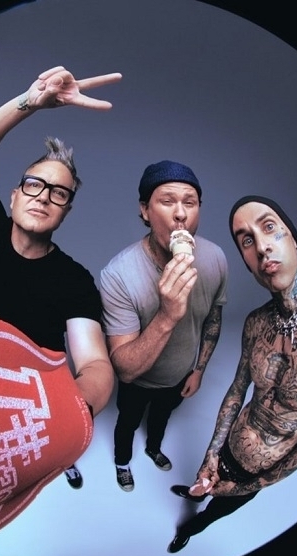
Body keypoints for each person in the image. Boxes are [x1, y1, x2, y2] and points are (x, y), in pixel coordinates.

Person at [165, 195, 297, 553]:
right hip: (230, 442)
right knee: (204, 480)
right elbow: (237, 391)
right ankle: (198, 490)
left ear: (293, 238)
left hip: (258, 472)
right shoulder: (256, 322)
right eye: (246, 240)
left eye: (269, 227)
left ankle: (193, 525)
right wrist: (212, 452)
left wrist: (246, 486)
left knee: (217, 509)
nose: (261, 247)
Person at [0, 65, 121, 489]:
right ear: (14, 196)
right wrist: (30, 103)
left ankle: (63, 459)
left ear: (66, 211)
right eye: (34, 185)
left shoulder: (75, 280)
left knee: (46, 457)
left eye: (58, 193)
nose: (44, 197)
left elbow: (95, 364)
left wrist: (69, 412)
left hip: (43, 393)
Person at [99, 160, 228, 492]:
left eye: (190, 202)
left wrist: (199, 369)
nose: (180, 213)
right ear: (145, 210)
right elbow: (125, 369)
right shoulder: (118, 275)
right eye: (167, 201)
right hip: (139, 382)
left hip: (180, 376)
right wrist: (168, 315)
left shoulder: (215, 259)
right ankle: (122, 462)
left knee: (161, 418)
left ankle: (153, 448)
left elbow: (213, 318)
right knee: (128, 422)